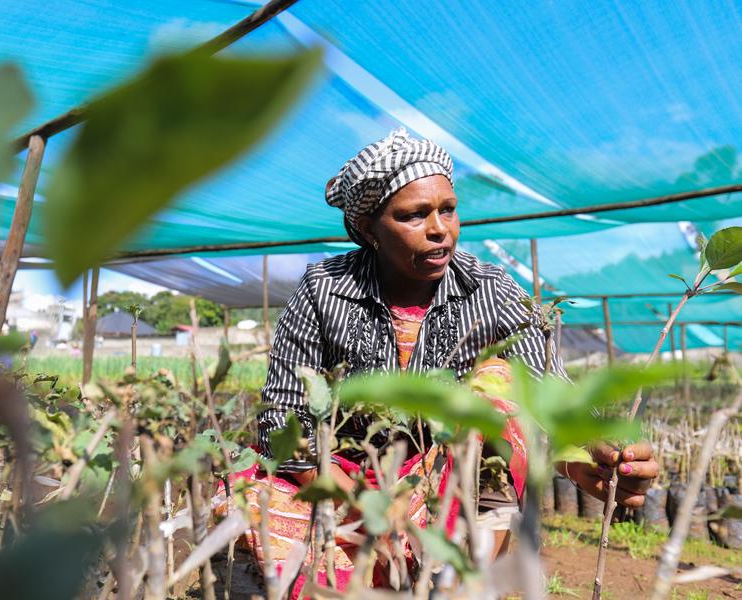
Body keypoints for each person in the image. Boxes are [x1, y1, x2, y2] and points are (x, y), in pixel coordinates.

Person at [237, 129, 656, 591]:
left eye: (448, 209)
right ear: (368, 228)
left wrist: (590, 455)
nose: (440, 228)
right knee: (292, 552)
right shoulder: (322, 289)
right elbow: (281, 424)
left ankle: (455, 581)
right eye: (413, 215)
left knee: (497, 386)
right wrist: (367, 504)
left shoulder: (491, 290)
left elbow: (551, 392)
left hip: (443, 485)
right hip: (340, 479)